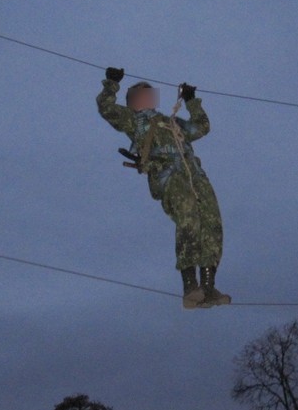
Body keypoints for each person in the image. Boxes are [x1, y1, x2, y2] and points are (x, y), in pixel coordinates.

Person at [97, 66, 230, 309]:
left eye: (149, 94)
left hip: (196, 176)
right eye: (141, 94)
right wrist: (111, 83)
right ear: (132, 102)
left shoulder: (172, 123)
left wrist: (191, 101)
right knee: (189, 217)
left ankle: (208, 287)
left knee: (211, 223)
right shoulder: (133, 120)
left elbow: (201, 127)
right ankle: (190, 286)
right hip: (168, 175)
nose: (147, 98)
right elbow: (106, 108)